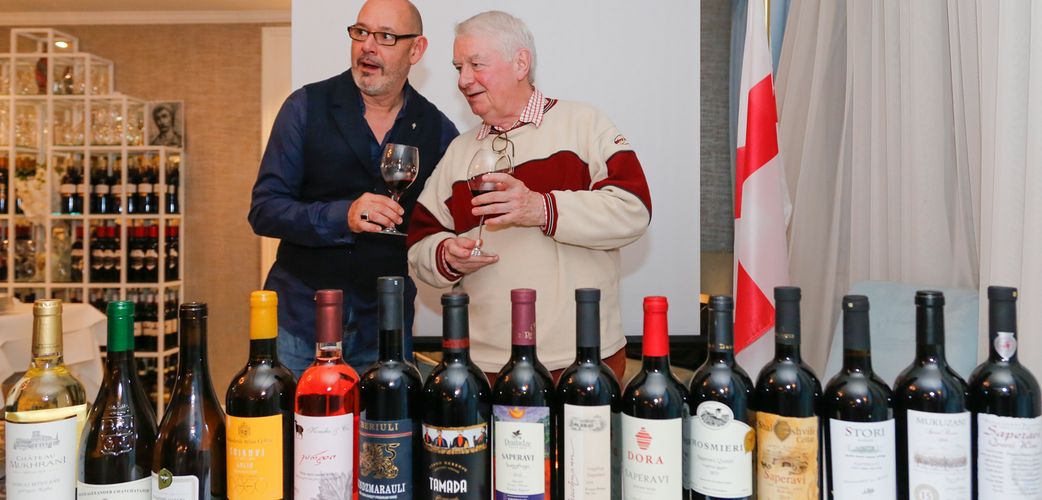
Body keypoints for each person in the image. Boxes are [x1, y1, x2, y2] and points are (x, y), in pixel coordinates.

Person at [407, 11, 651, 384]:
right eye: (458, 67)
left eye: (476, 64)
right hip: (485, 367)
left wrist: (541, 208)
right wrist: (446, 254)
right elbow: (420, 244)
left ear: (521, 63)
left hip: (581, 360)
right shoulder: (459, 152)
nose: (463, 79)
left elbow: (633, 210)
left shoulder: (584, 125)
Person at [249, 0, 458, 376]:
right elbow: (264, 210)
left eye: (386, 36)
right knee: (292, 416)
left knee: (385, 418)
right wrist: (342, 216)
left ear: (416, 50)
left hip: (384, 328)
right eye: (361, 32)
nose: (368, 46)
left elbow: (444, 221)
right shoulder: (305, 107)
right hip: (299, 322)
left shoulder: (437, 128)